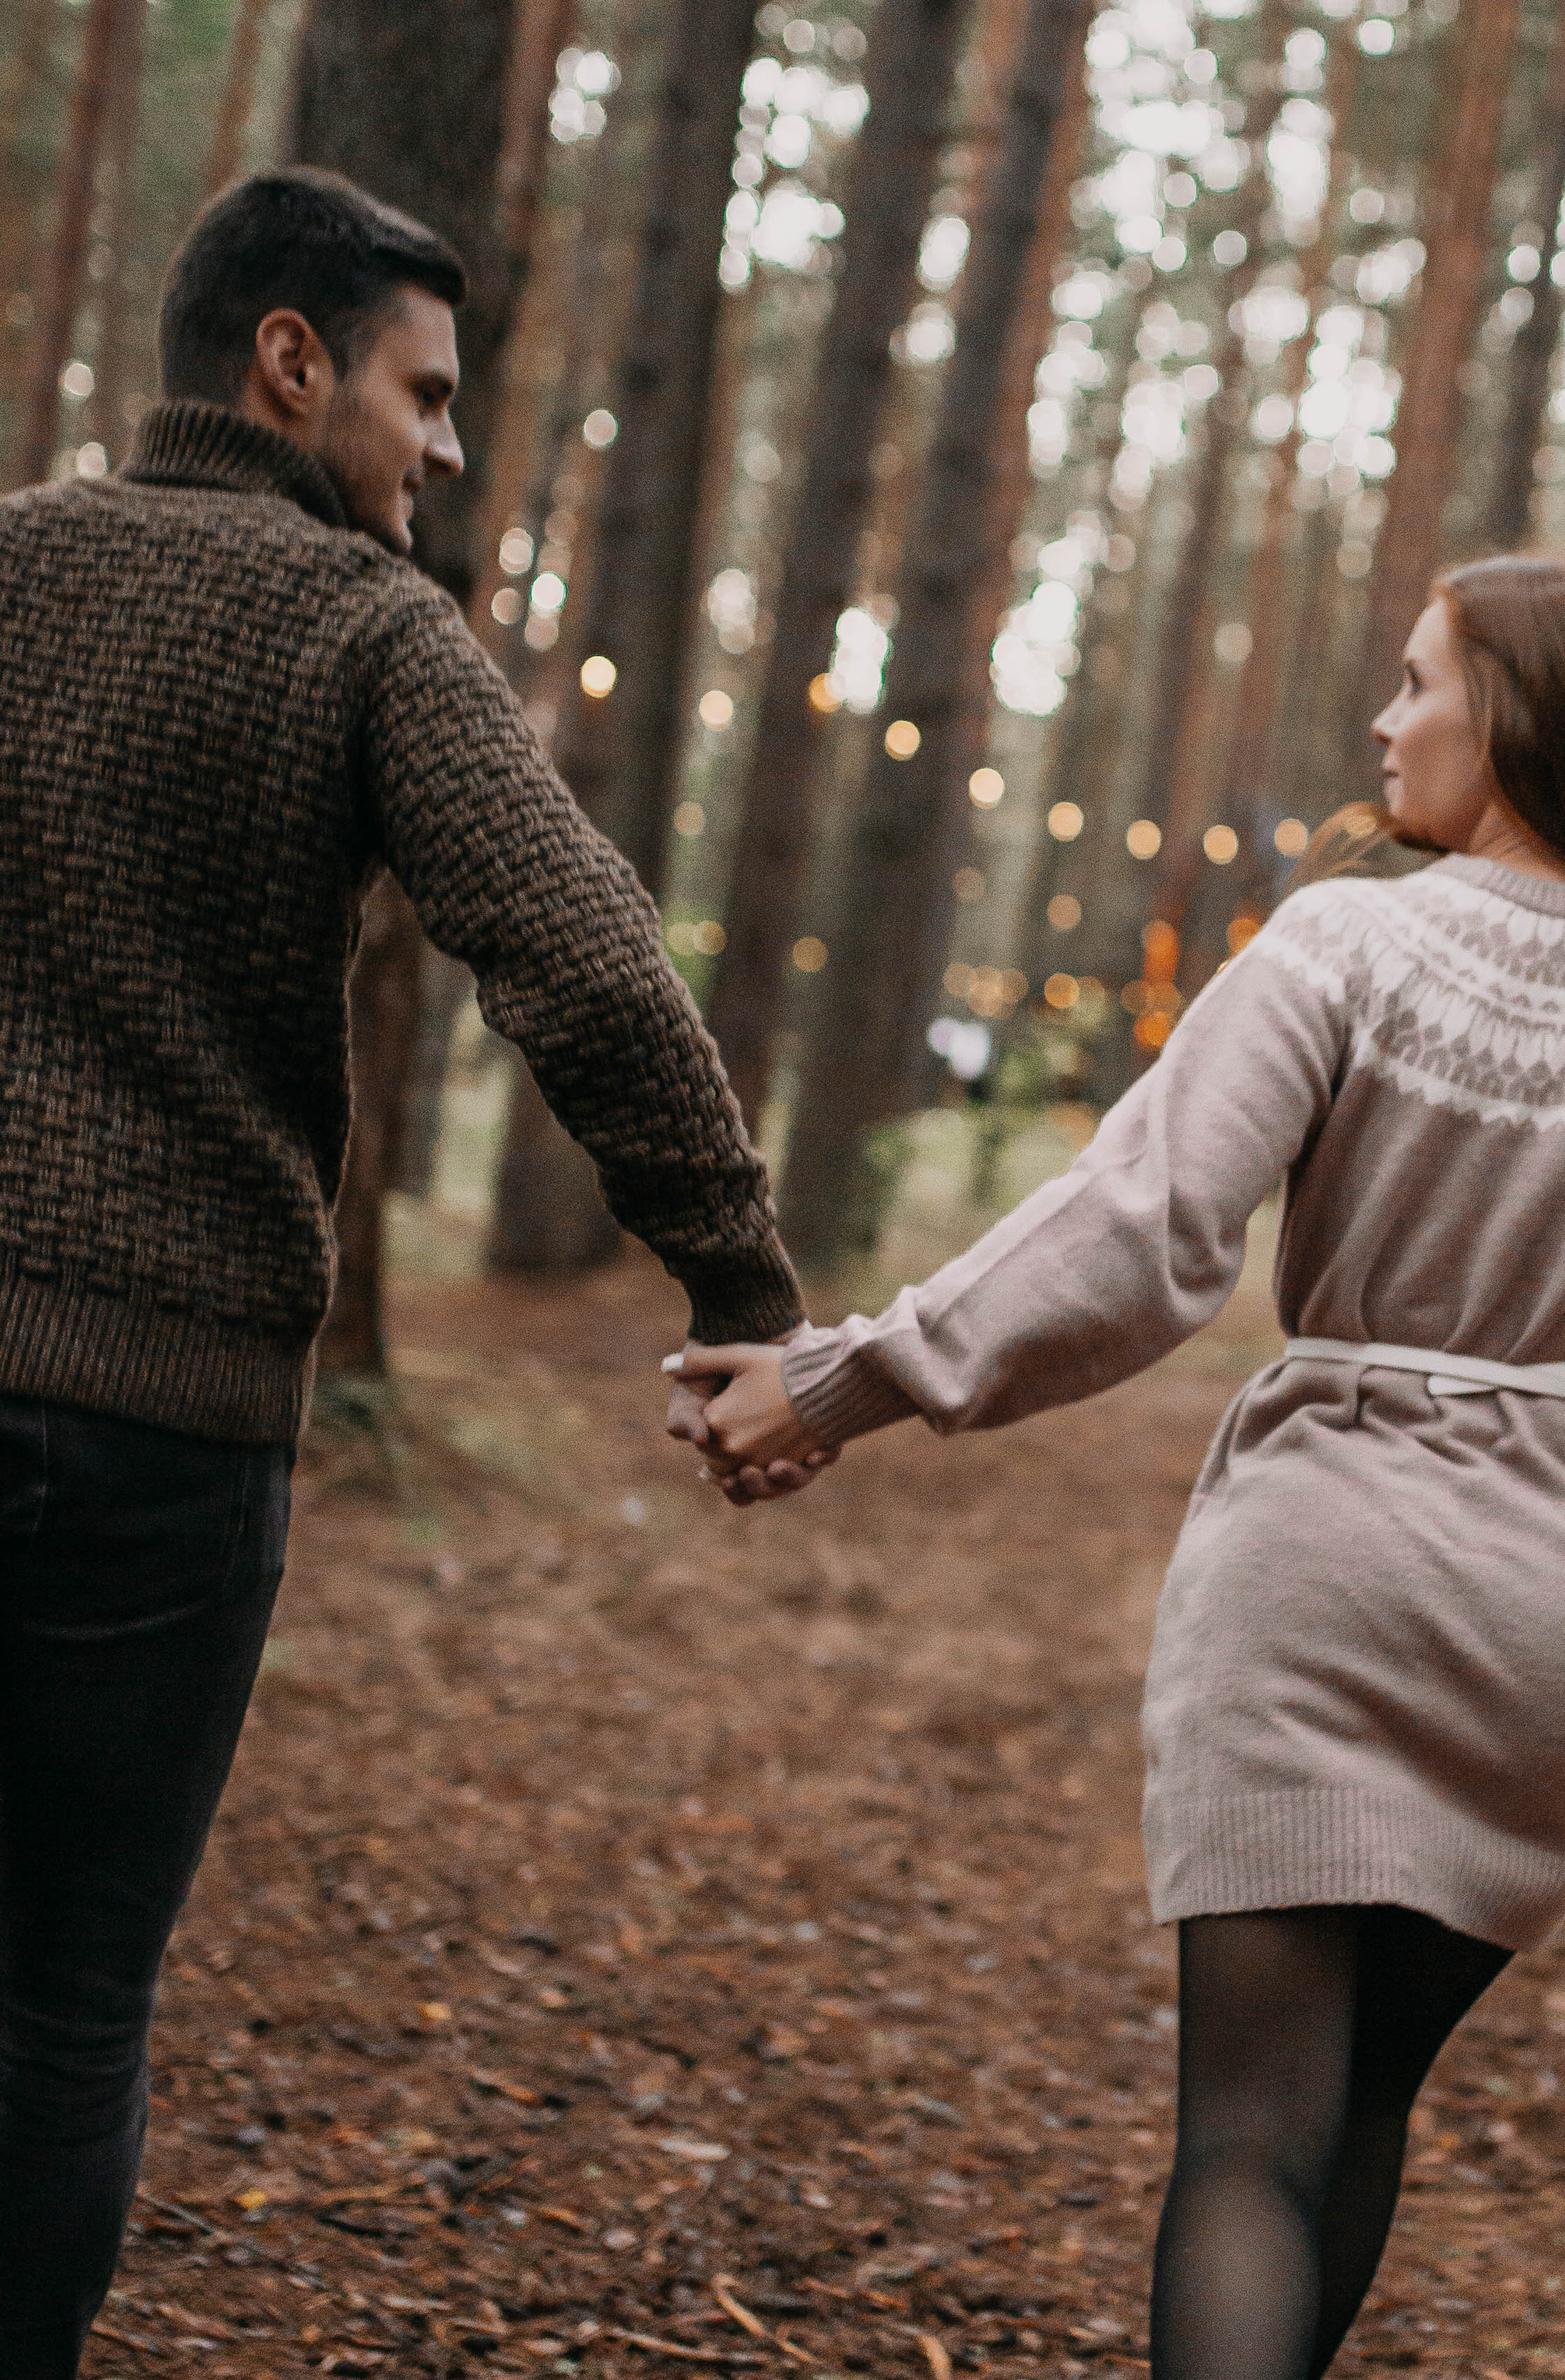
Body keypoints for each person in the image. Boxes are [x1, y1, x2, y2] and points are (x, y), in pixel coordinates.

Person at [0, 167, 806, 2379]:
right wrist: (741, 1286)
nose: (446, 448)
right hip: (157, 1440)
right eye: (426, 394)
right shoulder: (363, 630)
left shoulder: (8, 558)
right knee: (61, 1998)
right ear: (291, 361)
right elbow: (583, 963)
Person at [672, 557, 1565, 2379]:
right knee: (1368, 2095)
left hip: (1332, 1587)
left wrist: (844, 1383)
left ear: (1515, 716)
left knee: (1252, 2136)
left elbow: (1141, 1231)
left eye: (1417, 682)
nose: (1388, 720)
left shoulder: (1350, 941)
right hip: (1545, 1628)